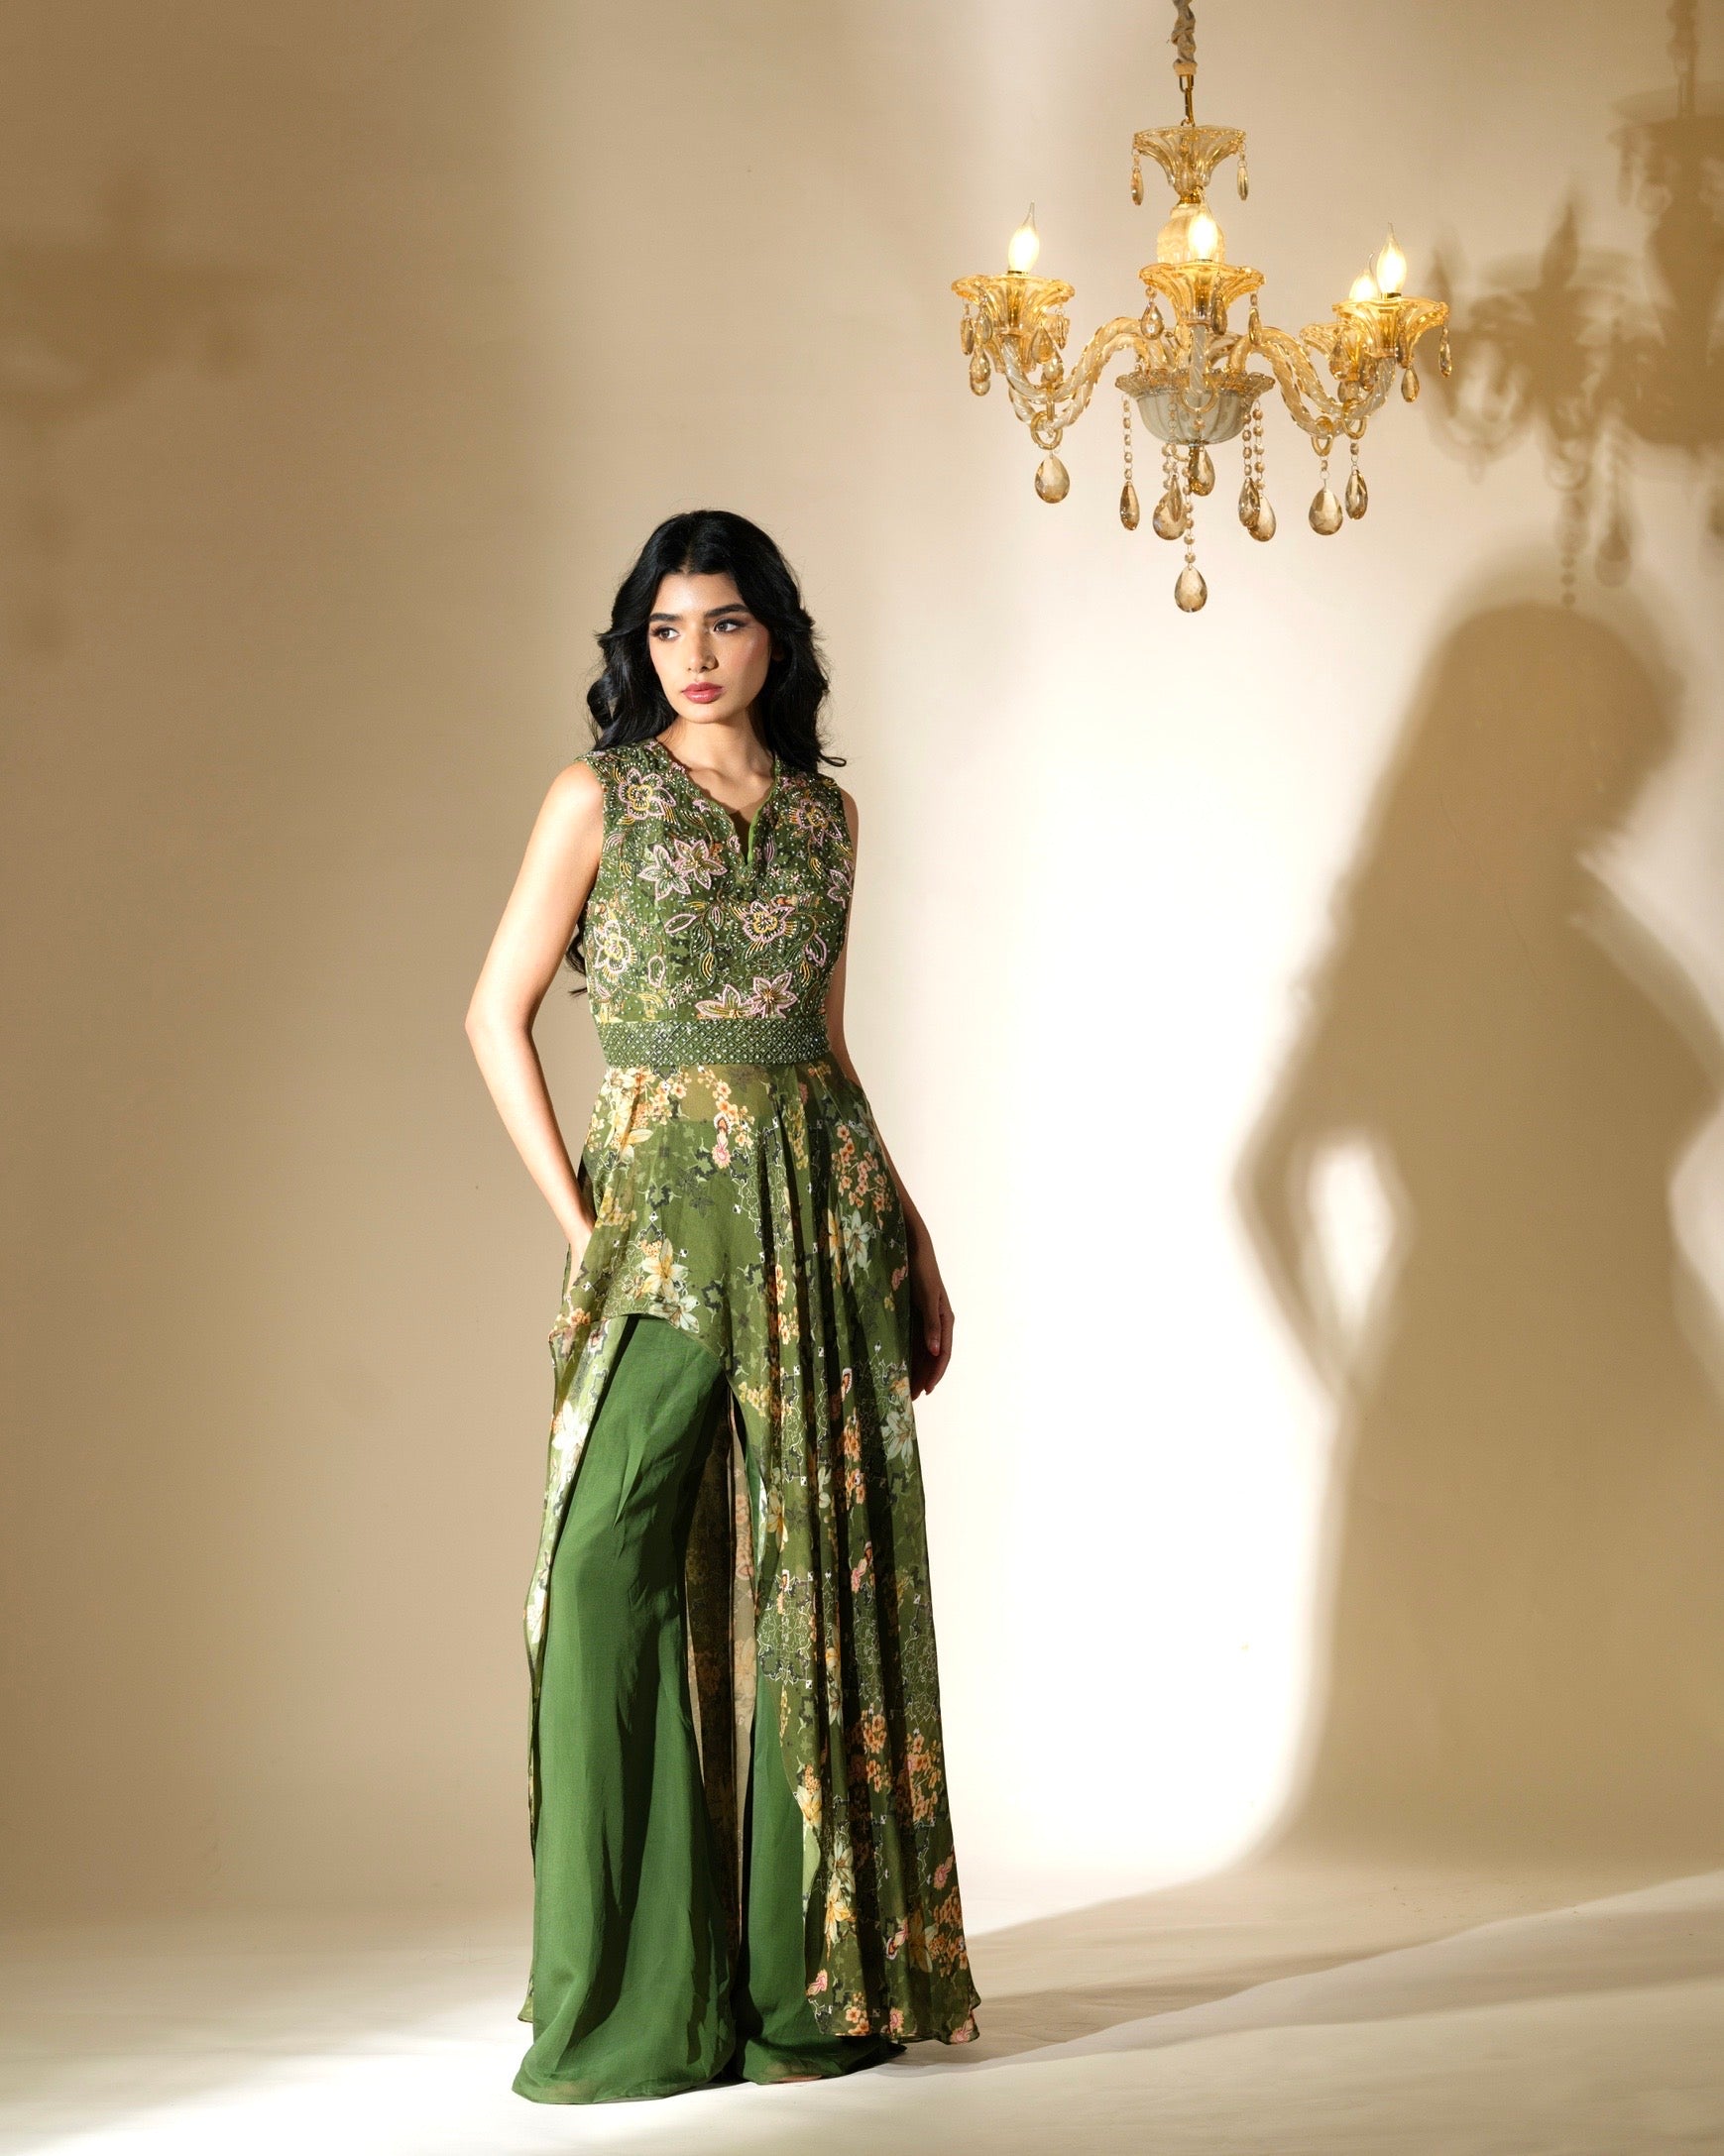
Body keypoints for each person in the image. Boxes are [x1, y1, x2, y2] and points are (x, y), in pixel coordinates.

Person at [465, 508, 981, 2102]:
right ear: (638, 647)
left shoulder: (827, 817)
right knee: (604, 1565)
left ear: (777, 639)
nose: (695, 656)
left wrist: (911, 1231)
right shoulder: (598, 796)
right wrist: (586, 1230)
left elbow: (826, 1045)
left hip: (821, 1211)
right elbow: (493, 1015)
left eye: (727, 623)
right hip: (663, 1221)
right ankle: (636, 1997)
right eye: (666, 629)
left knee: (815, 1581)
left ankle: (804, 1986)